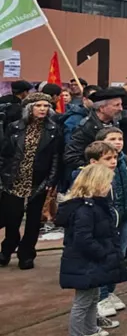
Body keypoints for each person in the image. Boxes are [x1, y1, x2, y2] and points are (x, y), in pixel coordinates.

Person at [56, 155, 125, 336]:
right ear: (97, 184)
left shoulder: (92, 206)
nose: (110, 187)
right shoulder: (85, 210)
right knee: (83, 302)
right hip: (85, 263)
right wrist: (102, 253)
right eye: (107, 183)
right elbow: (83, 239)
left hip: (89, 263)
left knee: (92, 297)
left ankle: (90, 329)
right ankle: (78, 333)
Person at [0, 92, 63, 270]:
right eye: (38, 105)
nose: (43, 109)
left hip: (39, 180)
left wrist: (52, 179)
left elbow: (56, 157)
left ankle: (27, 254)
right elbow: (5, 154)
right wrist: (3, 175)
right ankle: (8, 247)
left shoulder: (53, 130)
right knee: (12, 218)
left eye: (46, 106)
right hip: (14, 178)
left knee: (34, 221)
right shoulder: (15, 127)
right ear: (30, 108)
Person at [94, 127, 127, 318]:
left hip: (125, 215)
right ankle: (100, 297)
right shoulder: (97, 166)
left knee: (119, 256)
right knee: (106, 257)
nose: (118, 142)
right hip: (107, 219)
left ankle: (110, 291)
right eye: (112, 138)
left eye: (120, 138)